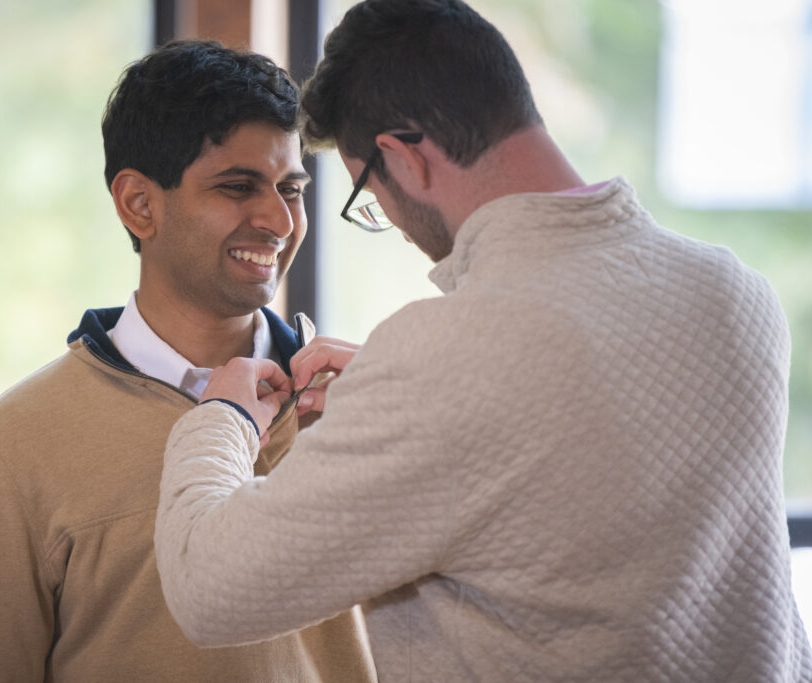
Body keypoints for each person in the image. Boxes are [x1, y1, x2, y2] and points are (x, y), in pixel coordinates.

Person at [153, 2, 812, 681]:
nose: (394, 224)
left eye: (369, 195)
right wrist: (396, 393)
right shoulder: (736, 291)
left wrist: (222, 417)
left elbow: (208, 591)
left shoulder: (443, 359)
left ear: (403, 159)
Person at [0, 40, 376, 682]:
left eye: (291, 189)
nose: (279, 218)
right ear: (139, 203)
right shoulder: (14, 444)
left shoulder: (362, 402)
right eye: (239, 186)